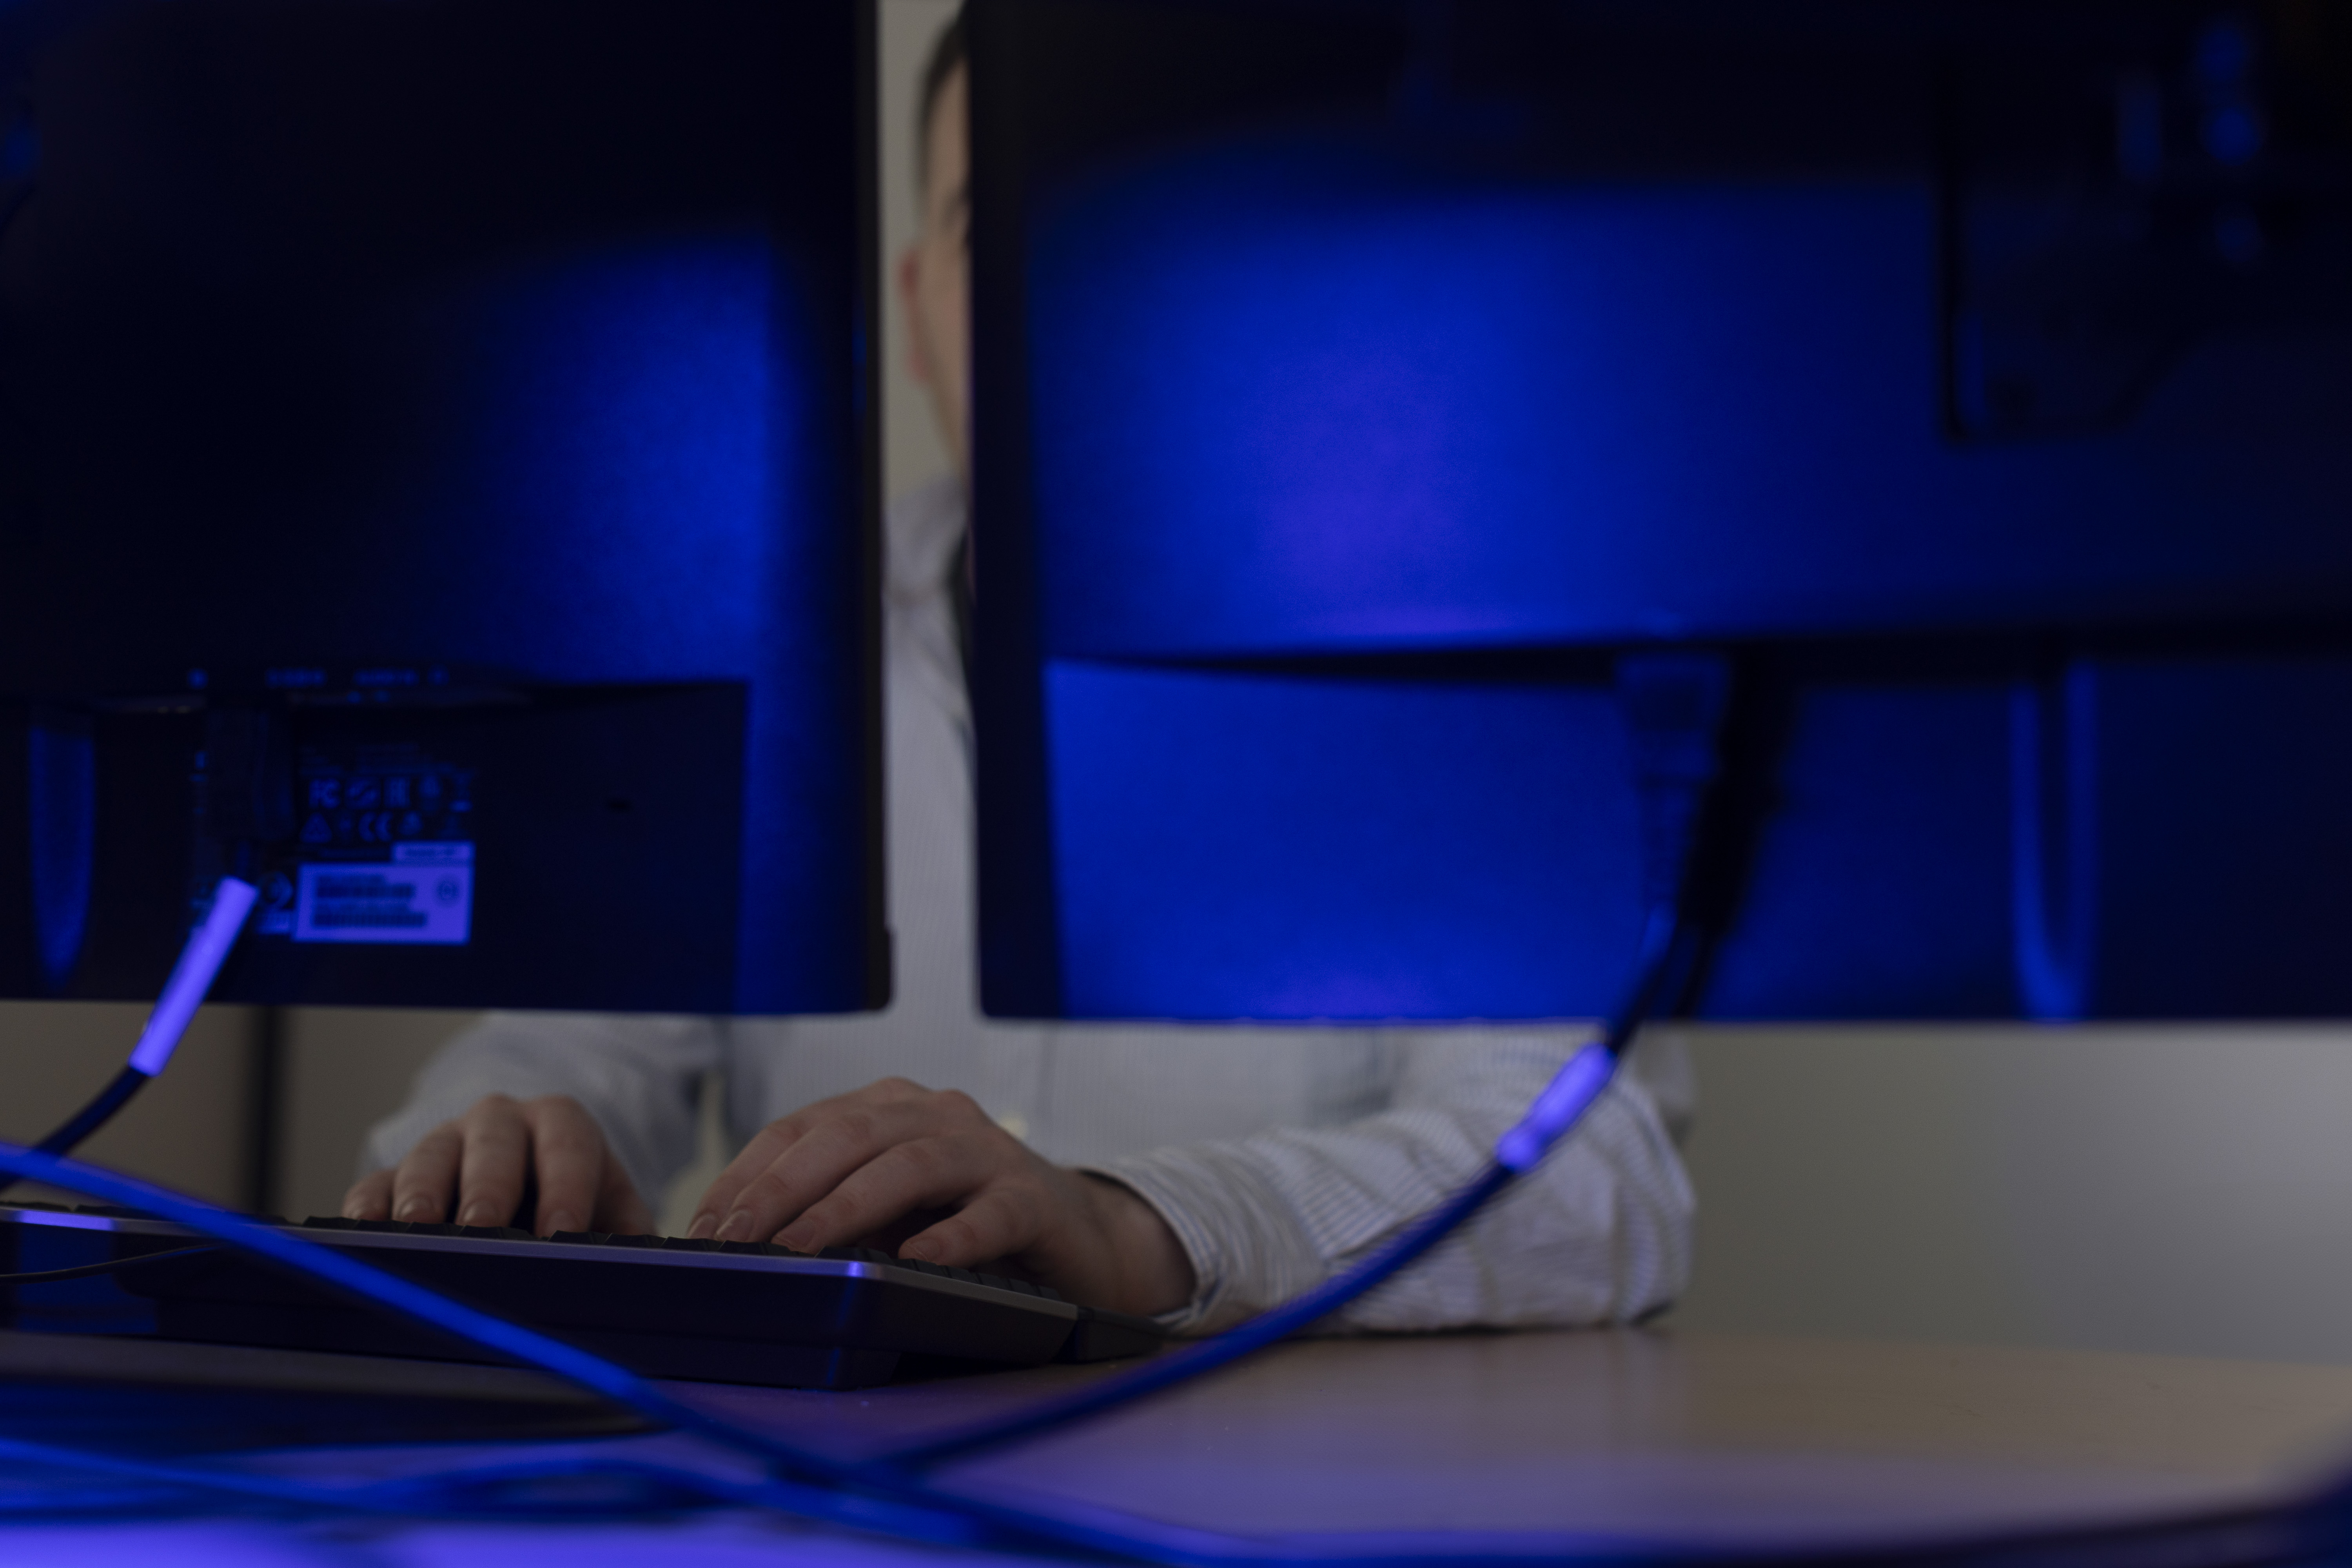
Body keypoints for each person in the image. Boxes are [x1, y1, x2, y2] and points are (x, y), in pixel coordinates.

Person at [346, 15, 1696, 1333]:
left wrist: (1139, 1230)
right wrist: (496, 1147)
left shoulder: (1466, 680)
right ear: (916, 312)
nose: (1072, 293)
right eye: (1003, 230)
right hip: (843, 1470)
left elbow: (1599, 1171)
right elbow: (569, 1048)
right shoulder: (757, 667)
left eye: (1141, 214)